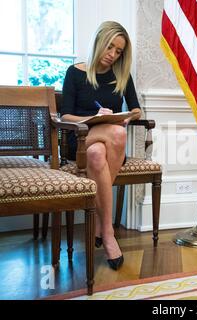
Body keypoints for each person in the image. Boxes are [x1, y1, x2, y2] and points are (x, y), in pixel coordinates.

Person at [60, 21, 141, 270]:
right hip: (80, 139)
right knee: (113, 136)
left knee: (100, 151)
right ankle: (107, 232)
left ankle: (101, 228)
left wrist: (125, 117)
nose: (113, 55)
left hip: (106, 147)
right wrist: (92, 119)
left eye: (119, 51)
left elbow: (137, 109)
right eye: (110, 47)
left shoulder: (120, 75)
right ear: (98, 42)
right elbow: (65, 116)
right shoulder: (75, 73)